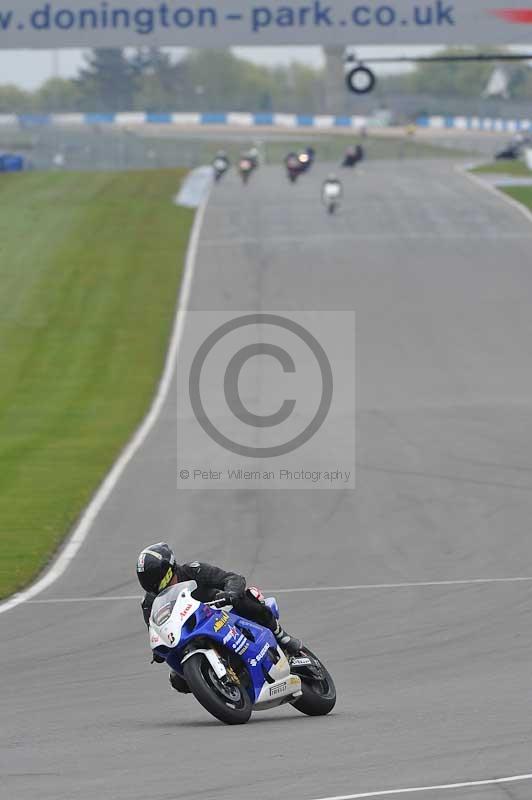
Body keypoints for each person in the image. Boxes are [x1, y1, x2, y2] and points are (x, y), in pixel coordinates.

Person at [136, 542, 302, 693]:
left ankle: (281, 635)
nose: (159, 588)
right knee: (178, 681)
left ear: (171, 569)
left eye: (163, 580)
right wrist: (158, 650)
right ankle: (217, 686)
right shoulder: (149, 602)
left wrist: (230, 594)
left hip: (219, 613)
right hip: (187, 633)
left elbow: (232, 578)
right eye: (152, 585)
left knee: (246, 598)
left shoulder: (193, 570)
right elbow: (155, 629)